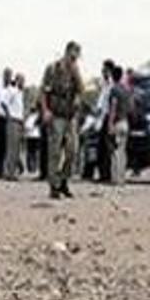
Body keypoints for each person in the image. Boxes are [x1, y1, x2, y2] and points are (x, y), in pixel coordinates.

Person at [41, 41, 85, 199]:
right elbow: (44, 91)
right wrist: (45, 110)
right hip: (56, 113)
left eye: (76, 57)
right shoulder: (52, 69)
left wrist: (78, 98)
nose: (74, 59)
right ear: (66, 53)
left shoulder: (75, 71)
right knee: (54, 152)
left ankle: (64, 180)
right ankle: (54, 185)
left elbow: (81, 90)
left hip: (70, 115)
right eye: (72, 56)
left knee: (72, 150)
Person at [106, 64, 130, 185]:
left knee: (115, 152)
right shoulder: (127, 90)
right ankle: (122, 178)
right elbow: (131, 107)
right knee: (122, 151)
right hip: (125, 122)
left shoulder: (114, 90)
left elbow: (113, 107)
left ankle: (115, 178)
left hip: (117, 123)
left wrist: (110, 123)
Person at [95, 61, 116, 183]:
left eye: (104, 70)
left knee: (107, 148)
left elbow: (112, 104)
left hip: (108, 118)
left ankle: (106, 175)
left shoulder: (112, 86)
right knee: (101, 148)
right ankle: (103, 174)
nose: (102, 72)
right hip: (102, 118)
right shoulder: (104, 85)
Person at [4, 72, 26, 180]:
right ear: (17, 80)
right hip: (13, 120)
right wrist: (8, 116)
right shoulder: (11, 90)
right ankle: (10, 173)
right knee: (11, 148)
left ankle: (14, 171)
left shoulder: (20, 93)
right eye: (22, 80)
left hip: (19, 121)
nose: (23, 83)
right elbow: (4, 103)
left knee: (17, 148)